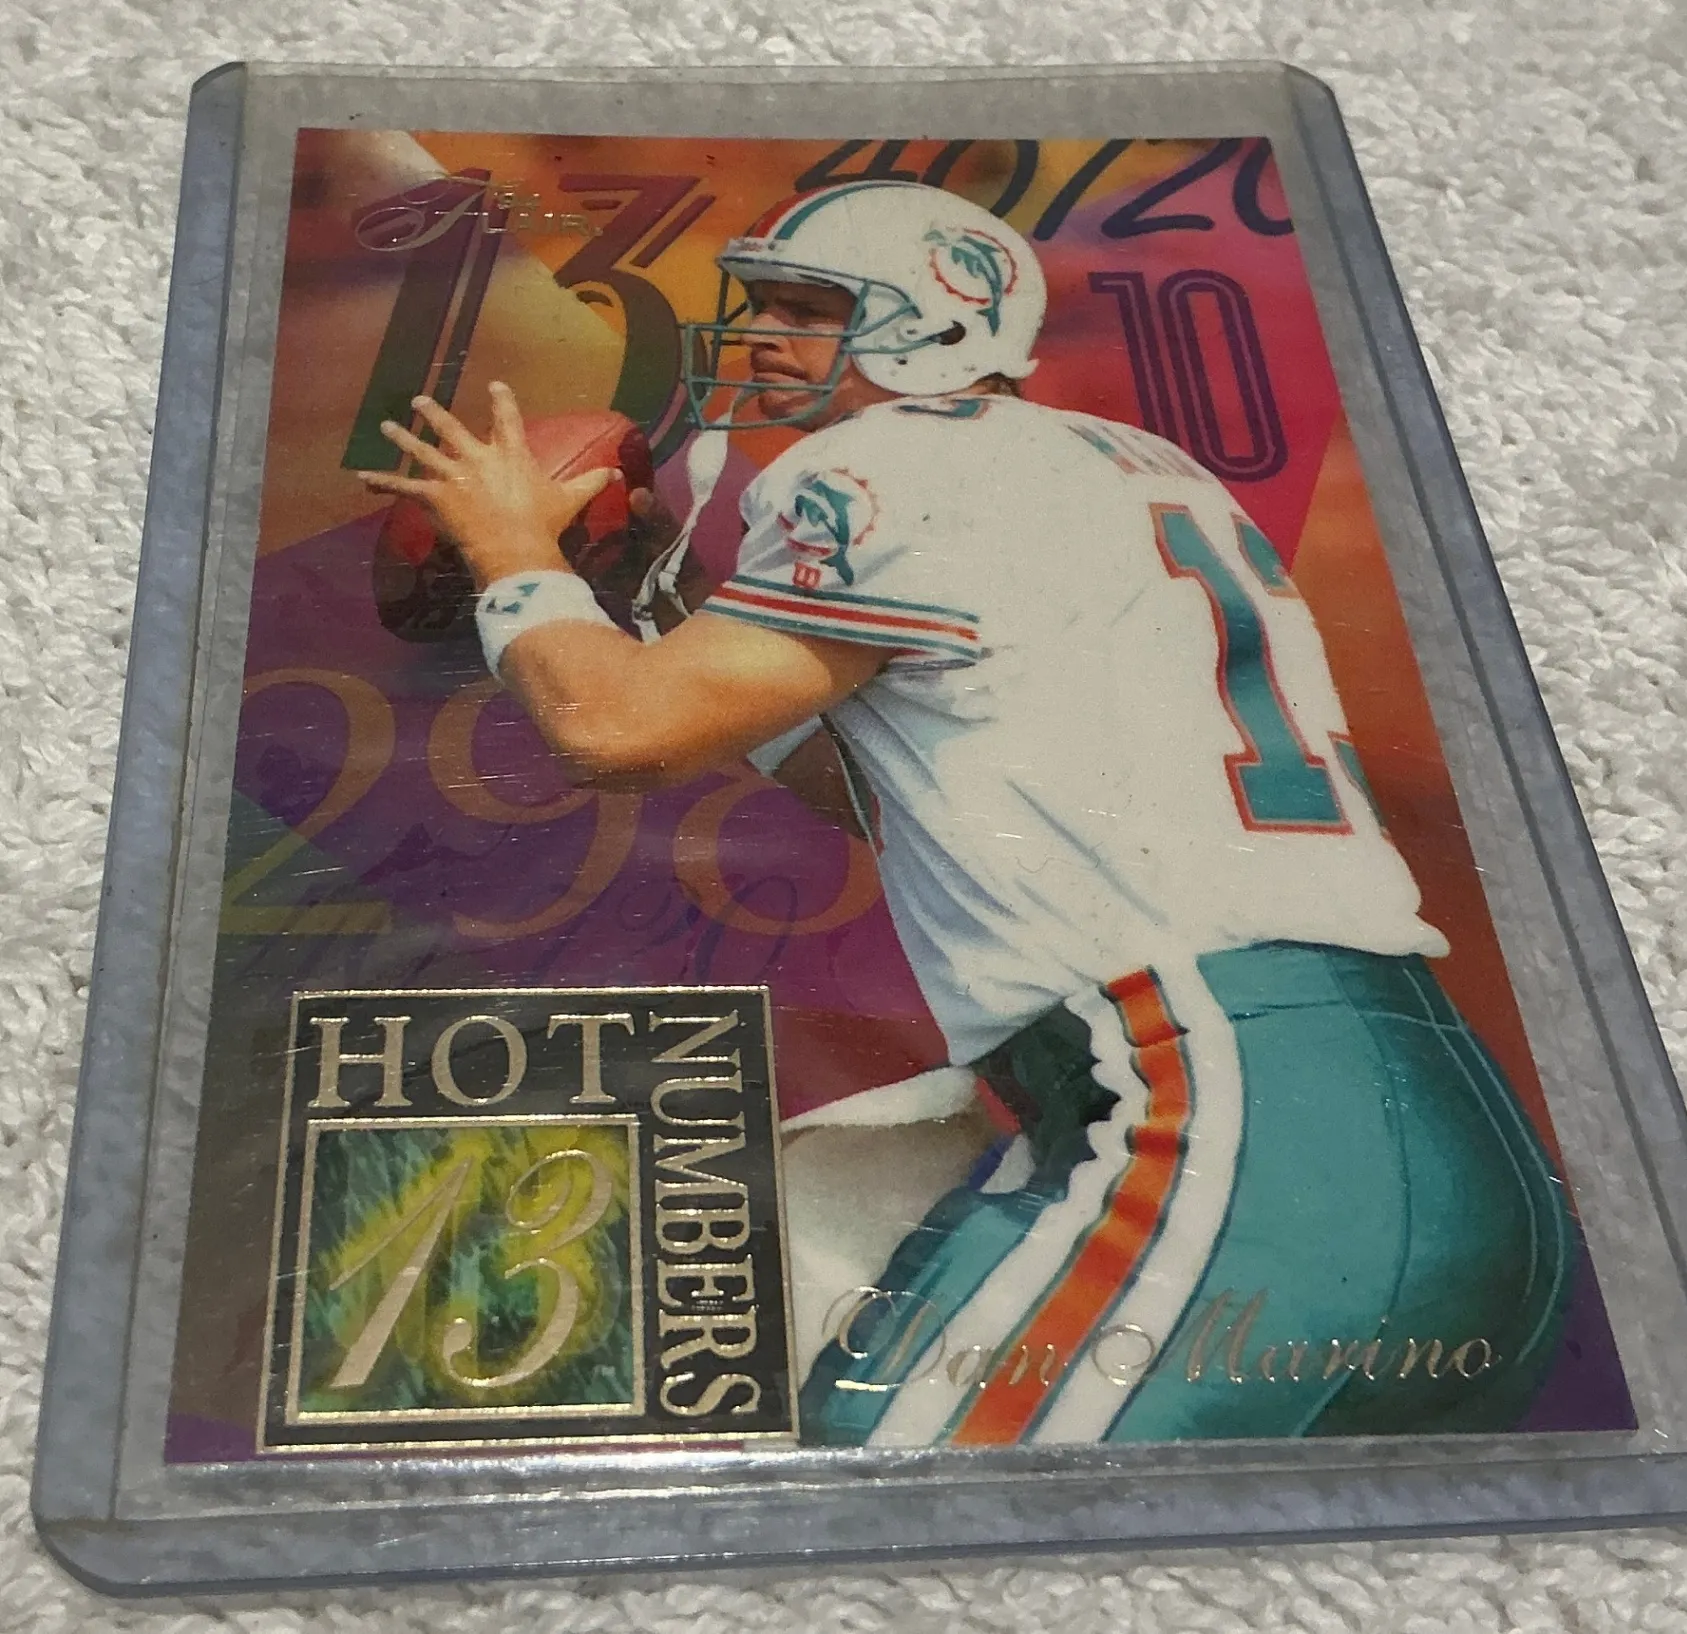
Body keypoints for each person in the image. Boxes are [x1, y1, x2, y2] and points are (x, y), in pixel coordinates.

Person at [360, 179, 1576, 1449]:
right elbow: (899, 781)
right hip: (1421, 1125)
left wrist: (514, 554)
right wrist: (659, 599)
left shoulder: (876, 465)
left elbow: (613, 729)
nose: (762, 335)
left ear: (937, 326)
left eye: (808, 310)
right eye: (762, 304)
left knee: (859, 1515)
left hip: (1210, 1105)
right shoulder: (1131, 465)